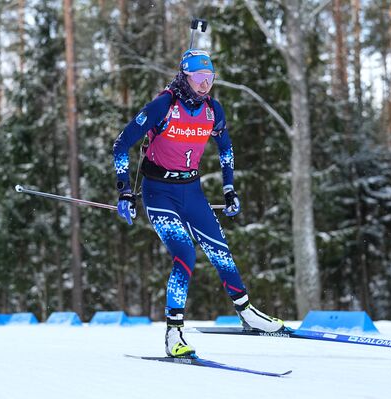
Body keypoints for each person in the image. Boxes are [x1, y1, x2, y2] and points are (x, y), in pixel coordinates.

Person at [113, 49, 285, 358]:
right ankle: (173, 332)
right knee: (186, 254)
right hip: (158, 193)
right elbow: (121, 144)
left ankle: (247, 313)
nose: (205, 85)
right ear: (185, 77)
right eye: (199, 78)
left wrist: (229, 189)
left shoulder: (213, 110)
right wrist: (125, 189)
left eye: (210, 78)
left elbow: (226, 149)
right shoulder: (163, 105)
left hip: (192, 191)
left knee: (220, 250)